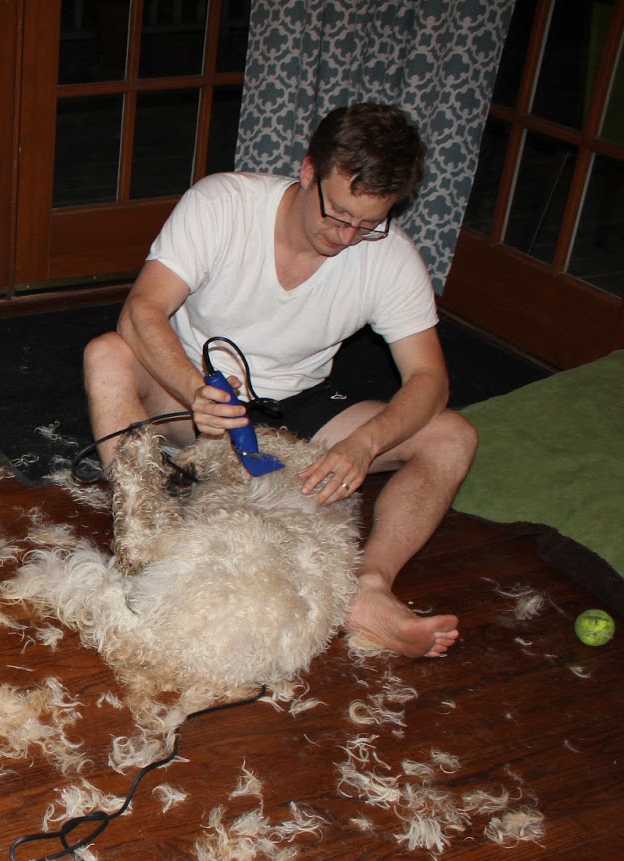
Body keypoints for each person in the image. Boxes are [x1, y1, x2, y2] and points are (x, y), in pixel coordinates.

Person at [83, 102, 477, 659]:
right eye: (338, 214)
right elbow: (140, 311)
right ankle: (144, 548)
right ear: (309, 170)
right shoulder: (223, 203)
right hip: (193, 391)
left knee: (453, 437)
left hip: (298, 405)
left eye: (368, 223)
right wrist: (193, 388)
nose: (346, 237)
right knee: (107, 353)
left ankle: (367, 587)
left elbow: (430, 379)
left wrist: (365, 445)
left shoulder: (388, 256)